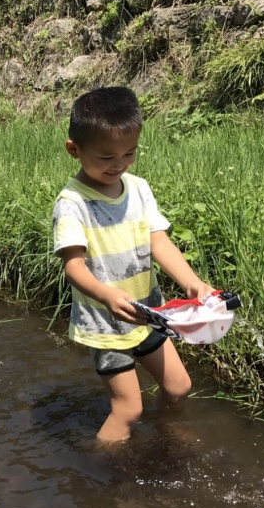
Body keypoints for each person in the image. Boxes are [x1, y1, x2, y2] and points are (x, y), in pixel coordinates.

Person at [52, 87, 213, 444]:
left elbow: (159, 240)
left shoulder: (138, 188)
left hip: (148, 311)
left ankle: (166, 437)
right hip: (106, 321)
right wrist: (108, 296)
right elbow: (74, 267)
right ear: (74, 150)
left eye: (129, 153)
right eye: (107, 156)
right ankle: (106, 474)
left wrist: (192, 282)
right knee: (128, 409)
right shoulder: (72, 203)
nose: (120, 164)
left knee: (179, 386)